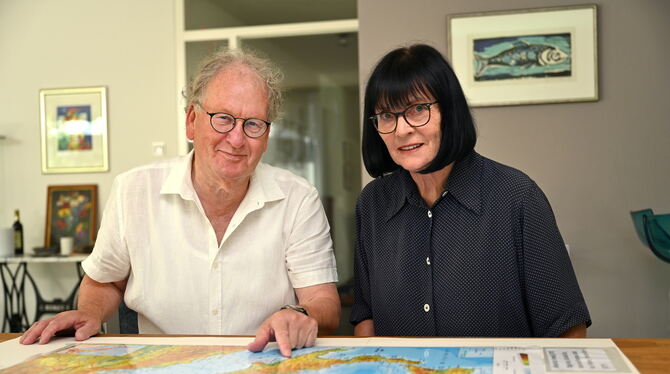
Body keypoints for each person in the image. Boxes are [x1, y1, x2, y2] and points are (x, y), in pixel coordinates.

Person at [20, 48, 340, 357]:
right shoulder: (134, 190)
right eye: (223, 118)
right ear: (191, 121)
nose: (237, 138)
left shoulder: (298, 198)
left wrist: (298, 313)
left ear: (267, 137)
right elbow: (104, 281)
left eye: (253, 124)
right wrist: (89, 313)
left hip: (266, 364)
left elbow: (323, 301)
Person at [350, 44, 591, 337]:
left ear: (450, 110)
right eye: (387, 115)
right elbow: (366, 317)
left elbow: (567, 328)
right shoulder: (373, 203)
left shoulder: (517, 197)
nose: (402, 130)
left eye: (418, 109)